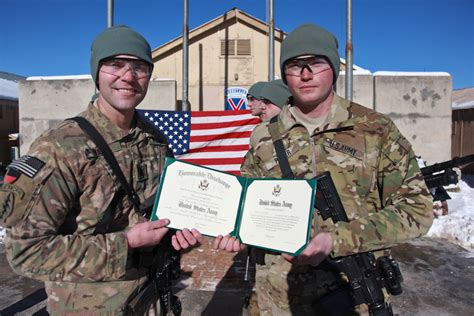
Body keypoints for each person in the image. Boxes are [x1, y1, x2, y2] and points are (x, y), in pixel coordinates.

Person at [214, 23, 433, 314]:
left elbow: (417, 209)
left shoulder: (375, 130)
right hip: (279, 299)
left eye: (316, 63)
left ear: (333, 68)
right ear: (285, 74)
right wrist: (235, 231)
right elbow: (248, 204)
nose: (305, 73)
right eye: (295, 65)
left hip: (353, 296)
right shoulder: (265, 136)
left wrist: (335, 241)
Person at [0, 25, 202, 315]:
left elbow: (158, 212)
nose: (128, 77)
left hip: (152, 300)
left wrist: (176, 233)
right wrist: (126, 242)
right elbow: (26, 252)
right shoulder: (59, 148)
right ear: (97, 73)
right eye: (115, 65)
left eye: (139, 67)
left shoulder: (154, 140)